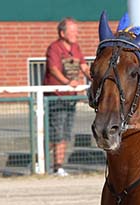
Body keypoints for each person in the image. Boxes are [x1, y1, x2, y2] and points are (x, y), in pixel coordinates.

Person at [44, 17, 91, 176]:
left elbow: (84, 66)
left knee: (64, 134)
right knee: (57, 134)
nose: (76, 34)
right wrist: (67, 82)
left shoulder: (76, 47)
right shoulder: (54, 48)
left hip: (70, 98)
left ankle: (54, 164)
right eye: (73, 31)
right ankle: (52, 164)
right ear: (63, 33)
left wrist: (95, 78)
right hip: (56, 97)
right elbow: (53, 69)